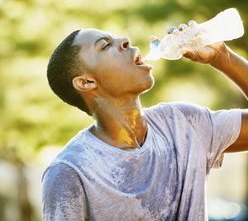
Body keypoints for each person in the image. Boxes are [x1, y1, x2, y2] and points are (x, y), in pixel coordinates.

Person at [42, 23, 248, 221]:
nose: (125, 40)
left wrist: (221, 56)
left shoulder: (183, 124)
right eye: (105, 45)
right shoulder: (70, 171)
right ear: (86, 82)